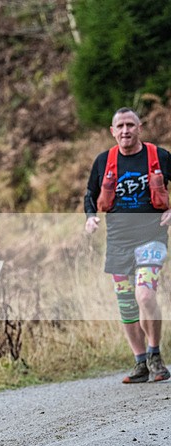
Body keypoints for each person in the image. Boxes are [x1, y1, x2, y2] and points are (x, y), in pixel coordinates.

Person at [84, 107, 171, 384]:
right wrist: (91, 217)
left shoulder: (160, 156)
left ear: (139, 127)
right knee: (126, 306)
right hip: (118, 243)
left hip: (152, 239)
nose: (125, 130)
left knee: (145, 295)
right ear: (112, 131)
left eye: (130, 125)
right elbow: (90, 193)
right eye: (120, 126)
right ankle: (140, 363)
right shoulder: (103, 161)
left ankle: (155, 353)